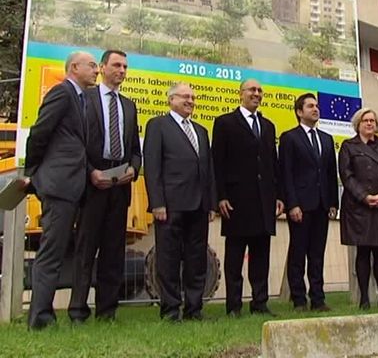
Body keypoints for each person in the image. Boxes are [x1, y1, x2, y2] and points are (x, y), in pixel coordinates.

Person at [24, 51, 99, 330]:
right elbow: (40, 132)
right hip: (58, 186)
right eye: (91, 66)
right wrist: (34, 173)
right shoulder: (62, 93)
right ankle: (41, 319)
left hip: (72, 186)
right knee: (51, 253)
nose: (96, 71)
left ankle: (43, 315)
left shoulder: (81, 100)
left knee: (58, 251)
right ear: (74, 67)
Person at [68, 50, 142, 323]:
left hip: (120, 186)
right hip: (92, 185)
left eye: (125, 66)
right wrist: (91, 173)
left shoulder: (130, 106)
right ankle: (77, 310)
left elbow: (135, 149)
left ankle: (107, 311)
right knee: (86, 250)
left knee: (113, 251)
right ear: (102, 67)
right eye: (117, 65)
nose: (122, 70)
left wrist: (133, 169)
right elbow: (74, 144)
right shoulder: (84, 100)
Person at [143, 83, 217, 321]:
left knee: (197, 260)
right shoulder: (158, 126)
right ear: (171, 99)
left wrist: (210, 203)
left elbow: (208, 170)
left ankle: (194, 309)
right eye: (185, 96)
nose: (190, 101)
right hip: (170, 206)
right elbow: (152, 167)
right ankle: (171, 310)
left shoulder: (201, 131)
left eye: (193, 97)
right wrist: (157, 203)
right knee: (168, 259)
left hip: (198, 207)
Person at [212, 78, 284, 317]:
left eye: (260, 90)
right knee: (234, 258)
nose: (257, 94)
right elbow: (217, 164)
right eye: (252, 90)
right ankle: (233, 306)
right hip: (236, 202)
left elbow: (273, 164)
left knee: (260, 258)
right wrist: (220, 196)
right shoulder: (224, 123)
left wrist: (278, 196)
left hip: (264, 203)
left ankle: (260, 303)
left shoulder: (268, 126)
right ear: (241, 93)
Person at [279, 93, 338, 312]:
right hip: (301, 206)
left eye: (317, 106)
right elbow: (286, 173)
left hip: (322, 205)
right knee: (298, 253)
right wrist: (292, 204)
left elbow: (330, 173)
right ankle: (299, 299)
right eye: (310, 106)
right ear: (299, 112)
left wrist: (333, 202)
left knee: (317, 254)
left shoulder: (326, 139)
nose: (315, 109)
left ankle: (318, 298)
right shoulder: (289, 137)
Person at [338, 108, 378, 310]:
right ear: (358, 124)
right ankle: (364, 298)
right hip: (359, 207)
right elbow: (346, 175)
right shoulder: (348, 146)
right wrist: (364, 197)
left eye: (373, 120)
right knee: (363, 252)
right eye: (365, 120)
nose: (369, 124)